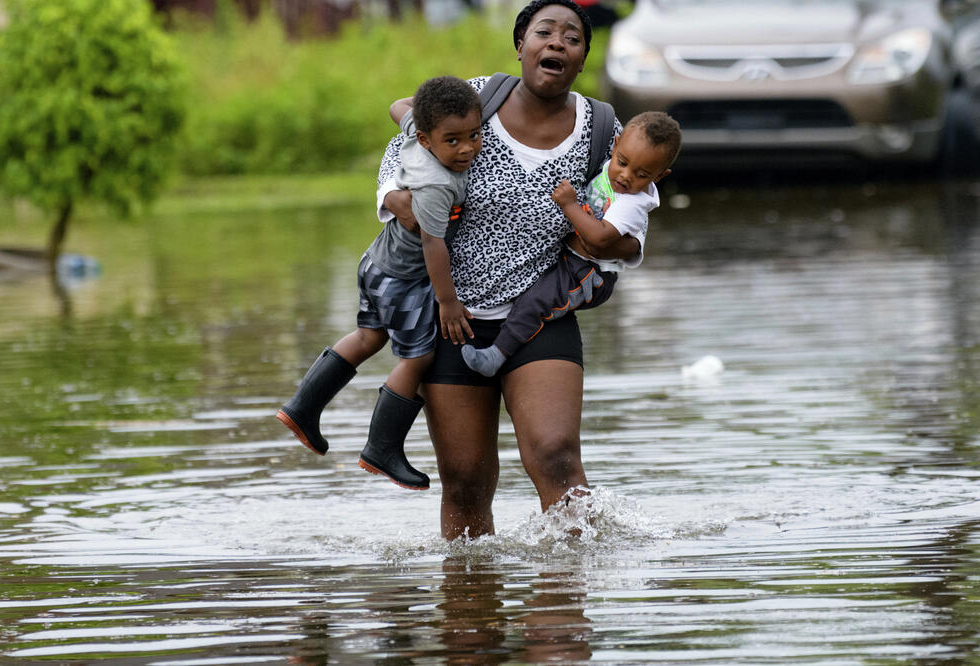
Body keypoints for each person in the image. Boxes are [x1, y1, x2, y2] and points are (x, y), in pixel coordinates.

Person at [378, 0, 641, 539]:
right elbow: (402, 147)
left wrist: (617, 239)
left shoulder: (604, 129)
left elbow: (634, 194)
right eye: (544, 32)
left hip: (541, 312)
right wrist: (395, 198)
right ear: (520, 44)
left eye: (572, 38)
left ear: (582, 59)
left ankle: (569, 603)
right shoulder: (474, 98)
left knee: (555, 455)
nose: (557, 43)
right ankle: (470, 609)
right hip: (452, 314)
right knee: (465, 479)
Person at [276, 76, 481, 491]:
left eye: (474, 135)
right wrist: (447, 302)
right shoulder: (437, 184)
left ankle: (302, 407)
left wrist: (421, 113)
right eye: (453, 140)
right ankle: (382, 448)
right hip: (404, 278)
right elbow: (432, 244)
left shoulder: (415, 131)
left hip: (375, 264)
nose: (467, 149)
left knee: (369, 336)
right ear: (426, 140)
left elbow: (396, 105)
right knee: (418, 358)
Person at [461, 111, 681, 377]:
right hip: (572, 260)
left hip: (588, 274)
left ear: (659, 177)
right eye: (622, 162)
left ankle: (496, 356)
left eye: (642, 174)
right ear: (615, 144)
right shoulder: (608, 169)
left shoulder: (632, 203)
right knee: (530, 294)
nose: (625, 176)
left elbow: (599, 239)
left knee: (537, 301)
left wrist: (569, 205)